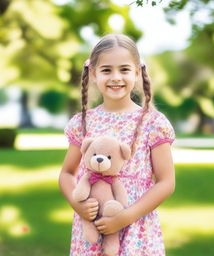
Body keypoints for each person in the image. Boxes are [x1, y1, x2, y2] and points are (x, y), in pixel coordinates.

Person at [59, 33, 175, 256]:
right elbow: (66, 173)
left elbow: (166, 182)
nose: (115, 77)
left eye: (124, 69)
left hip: (136, 227)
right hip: (93, 225)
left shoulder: (153, 123)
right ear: (93, 73)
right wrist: (79, 206)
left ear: (137, 73)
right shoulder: (83, 122)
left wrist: (125, 217)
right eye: (106, 70)